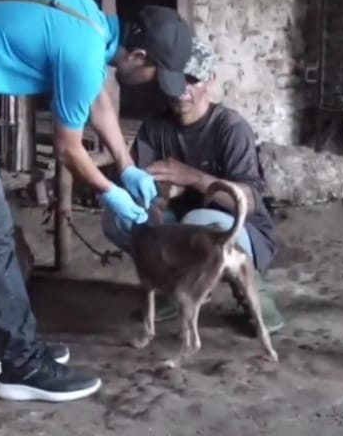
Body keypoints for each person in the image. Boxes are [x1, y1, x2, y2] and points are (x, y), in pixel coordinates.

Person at [0, 0, 193, 403]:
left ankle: (2, 345)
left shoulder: (88, 17)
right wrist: (110, 193)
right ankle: (21, 364)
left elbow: (97, 99)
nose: (154, 84)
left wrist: (127, 167)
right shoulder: (84, 53)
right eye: (157, 74)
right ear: (139, 56)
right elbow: (70, 150)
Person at [101, 37, 285, 333]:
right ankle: (175, 284)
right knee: (119, 217)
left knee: (201, 221)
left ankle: (253, 290)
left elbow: (248, 203)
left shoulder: (231, 128)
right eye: (174, 82)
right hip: (181, 230)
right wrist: (152, 208)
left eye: (192, 81)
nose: (181, 92)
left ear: (210, 81)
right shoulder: (155, 128)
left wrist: (192, 178)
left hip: (239, 230)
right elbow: (143, 187)